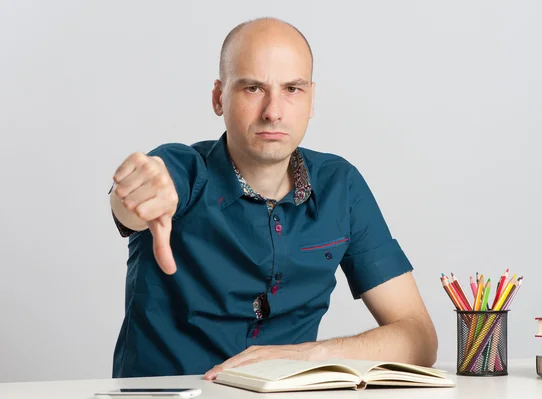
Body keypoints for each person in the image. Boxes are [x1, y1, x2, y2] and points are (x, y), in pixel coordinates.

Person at [109, 17, 438, 380]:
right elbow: (138, 200)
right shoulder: (182, 170)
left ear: (312, 99)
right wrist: (133, 197)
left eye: (292, 89)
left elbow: (419, 337)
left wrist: (311, 356)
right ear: (219, 97)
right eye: (253, 88)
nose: (273, 111)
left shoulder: (340, 185)